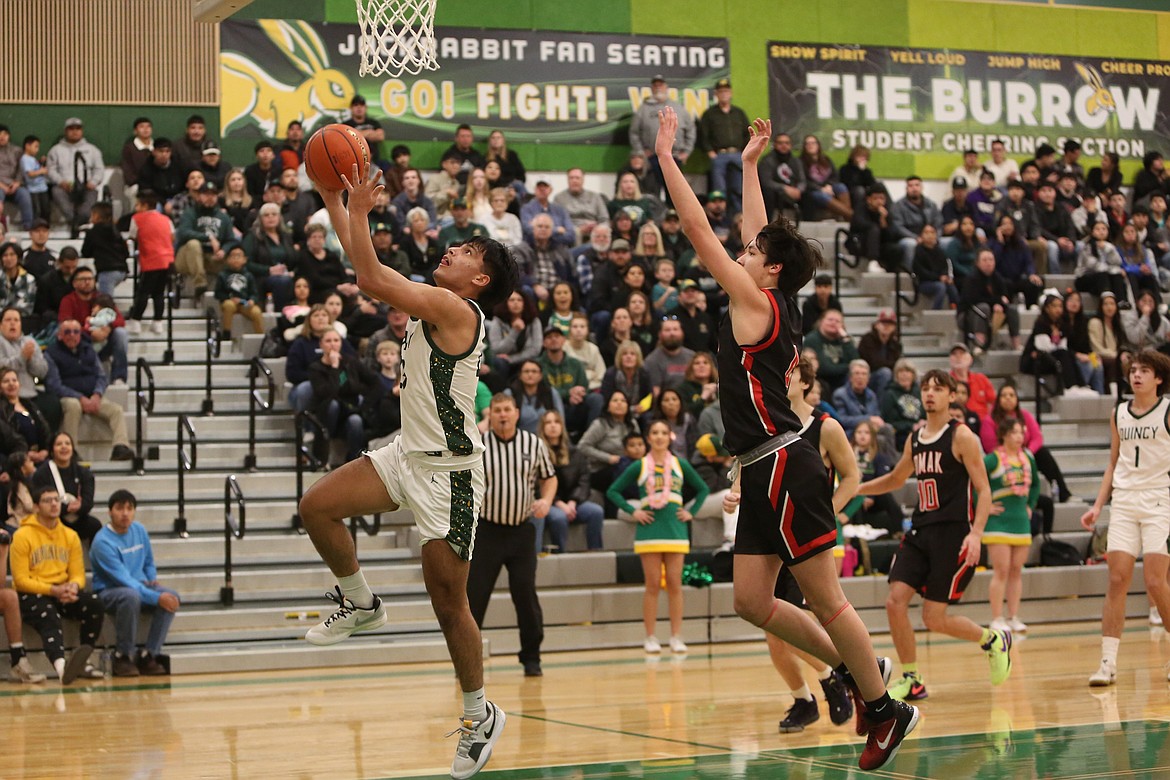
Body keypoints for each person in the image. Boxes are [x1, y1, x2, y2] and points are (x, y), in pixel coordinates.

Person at [656, 107, 916, 769]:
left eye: (750, 257)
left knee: (826, 599)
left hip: (783, 463)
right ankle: (864, 671)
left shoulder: (755, 300)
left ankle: (885, 706)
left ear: (766, 273)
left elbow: (695, 228)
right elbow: (758, 231)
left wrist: (666, 156)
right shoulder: (782, 298)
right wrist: (748, 165)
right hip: (762, 466)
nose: (743, 255)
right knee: (751, 600)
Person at [298, 160, 517, 780]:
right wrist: (329, 193)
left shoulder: (457, 311)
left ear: (480, 279)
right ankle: (361, 602)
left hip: (448, 475)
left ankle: (479, 714)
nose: (451, 248)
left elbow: (367, 273)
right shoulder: (439, 302)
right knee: (317, 506)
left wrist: (359, 210)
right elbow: (360, 258)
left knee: (450, 604)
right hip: (405, 456)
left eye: (467, 250)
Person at [857, 369, 1011, 702]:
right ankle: (912, 678)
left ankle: (992, 639)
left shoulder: (962, 436)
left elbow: (984, 490)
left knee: (933, 618)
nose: (929, 394)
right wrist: (857, 488)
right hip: (921, 529)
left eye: (937, 389)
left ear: (952, 396)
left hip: (953, 533)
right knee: (894, 601)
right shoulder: (915, 437)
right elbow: (897, 479)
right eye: (925, 388)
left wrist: (976, 534)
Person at [744, 357, 859, 732]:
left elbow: (852, 477)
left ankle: (836, 677)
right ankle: (806, 697)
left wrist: (829, 513)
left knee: (794, 622)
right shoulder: (769, 425)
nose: (781, 379)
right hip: (771, 535)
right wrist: (734, 493)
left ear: (805, 383)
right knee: (772, 629)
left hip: (806, 539)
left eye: (788, 374)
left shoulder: (825, 427)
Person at [1081, 351, 1170, 687]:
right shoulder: (1118, 413)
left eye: (1144, 371)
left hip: (1160, 500)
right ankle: (1107, 663)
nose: (1136, 375)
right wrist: (1097, 506)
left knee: (1155, 582)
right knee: (1117, 579)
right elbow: (1112, 462)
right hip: (1124, 502)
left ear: (1158, 378)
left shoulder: (1167, 411)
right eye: (1133, 370)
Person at [608, 418, 709, 655]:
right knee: (652, 585)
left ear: (670, 437)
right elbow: (613, 491)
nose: (660, 436)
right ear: (648, 437)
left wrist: (691, 512)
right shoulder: (640, 465)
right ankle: (650, 637)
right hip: (650, 531)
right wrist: (634, 511)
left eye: (664, 432)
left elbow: (703, 488)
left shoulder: (680, 464)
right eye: (655, 432)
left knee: (675, 585)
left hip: (675, 530)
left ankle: (676, 636)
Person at [469, 393, 555, 668]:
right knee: (476, 596)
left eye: (507, 409)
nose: (503, 415)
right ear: (490, 414)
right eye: (498, 410)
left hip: (521, 531)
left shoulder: (534, 443)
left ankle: (532, 658)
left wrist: (546, 500)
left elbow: (549, 477)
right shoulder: (479, 444)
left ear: (517, 413)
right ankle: (468, 661)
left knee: (525, 595)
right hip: (487, 531)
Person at [11, 484, 104, 684]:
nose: (54, 504)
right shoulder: (21, 536)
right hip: (31, 594)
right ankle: (62, 667)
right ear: (36, 507)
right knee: (49, 614)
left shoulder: (70, 535)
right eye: (47, 500)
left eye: (56, 500)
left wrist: (73, 587)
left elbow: (78, 574)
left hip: (62, 591)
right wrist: (52, 590)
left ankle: (82, 662)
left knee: (94, 603)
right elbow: (20, 580)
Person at [90, 489, 178, 677]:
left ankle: (149, 654)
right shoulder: (102, 543)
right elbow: (124, 580)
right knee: (132, 596)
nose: (125, 513)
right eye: (120, 508)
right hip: (110, 591)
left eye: (130, 508)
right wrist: (155, 597)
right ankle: (123, 655)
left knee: (172, 595)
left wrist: (152, 577)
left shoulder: (139, 530)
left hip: (139, 586)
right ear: (110, 512)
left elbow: (148, 562)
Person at [981, 418, 1040, 636]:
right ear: (1004, 434)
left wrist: (1031, 505)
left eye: (1021, 433)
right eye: (1015, 432)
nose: (1019, 437)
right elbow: (976, 483)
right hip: (998, 521)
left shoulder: (1028, 458)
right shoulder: (992, 459)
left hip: (1020, 520)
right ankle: (997, 618)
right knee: (1002, 570)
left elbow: (1036, 485)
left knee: (1016, 570)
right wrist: (983, 506)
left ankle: (1013, 616)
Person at [44, 320, 134, 463]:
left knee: (116, 410)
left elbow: (101, 376)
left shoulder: (88, 350)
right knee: (73, 406)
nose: (72, 335)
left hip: (91, 395)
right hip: (68, 396)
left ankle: (120, 447)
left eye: (76, 332)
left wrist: (97, 395)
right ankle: (71, 450)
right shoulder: (51, 353)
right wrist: (80, 398)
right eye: (67, 332)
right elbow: (54, 385)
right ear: (60, 335)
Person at [983, 383, 1073, 503]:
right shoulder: (990, 420)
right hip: (1003, 456)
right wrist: (1012, 452)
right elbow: (990, 445)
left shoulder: (1025, 415)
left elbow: (1037, 437)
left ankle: (1063, 492)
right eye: (1004, 395)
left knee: (1043, 453)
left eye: (1011, 395)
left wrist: (1027, 452)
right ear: (998, 399)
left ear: (1017, 399)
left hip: (1025, 453)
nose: (1008, 398)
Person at [537, 410, 604, 552]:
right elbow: (538, 485)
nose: (553, 426)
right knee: (559, 518)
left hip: (573, 502)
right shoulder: (536, 453)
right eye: (548, 423)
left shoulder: (575, 452)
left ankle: (595, 551)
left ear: (562, 426)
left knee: (596, 511)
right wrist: (560, 504)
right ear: (542, 428)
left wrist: (573, 501)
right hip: (550, 503)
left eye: (556, 422)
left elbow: (584, 480)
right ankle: (561, 554)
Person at [308, 328, 377, 464]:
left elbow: (375, 382)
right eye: (328, 341)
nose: (332, 344)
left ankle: (355, 462)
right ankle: (323, 457)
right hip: (327, 414)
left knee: (356, 420)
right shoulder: (316, 368)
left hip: (349, 411)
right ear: (321, 344)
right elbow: (328, 393)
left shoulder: (350, 362)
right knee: (333, 405)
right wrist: (334, 367)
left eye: (336, 340)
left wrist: (365, 405)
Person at [629, 76, 695, 202]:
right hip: (652, 158)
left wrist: (687, 151)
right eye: (655, 85)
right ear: (651, 88)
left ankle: (674, 218)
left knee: (676, 193)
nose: (658, 87)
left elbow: (691, 129)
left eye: (661, 85)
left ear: (666, 87)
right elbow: (634, 133)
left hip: (674, 157)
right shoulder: (643, 109)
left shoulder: (678, 107)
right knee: (653, 192)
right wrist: (642, 152)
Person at [126, 192, 175, 335]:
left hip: (150, 260)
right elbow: (172, 237)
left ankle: (136, 321)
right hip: (167, 260)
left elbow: (132, 236)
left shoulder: (137, 219)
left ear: (145, 205)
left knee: (143, 292)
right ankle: (158, 322)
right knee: (159, 293)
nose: (135, 207)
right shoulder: (166, 219)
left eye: (138, 204)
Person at [699, 78, 750, 215]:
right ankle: (721, 218)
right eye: (721, 91)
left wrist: (745, 152)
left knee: (739, 188)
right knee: (719, 191)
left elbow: (748, 133)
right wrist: (710, 152)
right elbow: (703, 135)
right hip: (719, 155)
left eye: (726, 91)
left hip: (738, 154)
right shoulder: (709, 114)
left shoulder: (739, 113)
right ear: (716, 94)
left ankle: (739, 219)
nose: (724, 94)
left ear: (731, 93)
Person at [46, 118, 103, 238]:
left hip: (86, 186)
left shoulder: (92, 150)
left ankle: (78, 223)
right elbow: (50, 170)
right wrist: (60, 182)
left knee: (92, 195)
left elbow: (99, 169)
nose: (75, 132)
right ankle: (75, 222)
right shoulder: (56, 150)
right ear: (66, 131)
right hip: (65, 187)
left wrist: (93, 182)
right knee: (56, 191)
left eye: (78, 129)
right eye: (71, 129)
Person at [215, 244, 264, 339]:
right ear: (227, 259)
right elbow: (218, 293)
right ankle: (226, 333)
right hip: (230, 302)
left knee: (257, 311)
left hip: (244, 303)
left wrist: (252, 300)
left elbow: (254, 293)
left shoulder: (249, 275)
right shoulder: (222, 275)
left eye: (239, 256)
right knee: (228, 305)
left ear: (244, 259)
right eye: (233, 256)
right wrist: (230, 298)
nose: (236, 259)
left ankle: (261, 337)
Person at [758, 133, 805, 219]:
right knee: (768, 193)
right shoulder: (766, 161)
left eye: (787, 143)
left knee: (810, 194)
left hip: (795, 191)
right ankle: (767, 222)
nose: (784, 145)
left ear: (790, 145)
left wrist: (798, 190)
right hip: (776, 192)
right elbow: (766, 182)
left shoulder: (796, 161)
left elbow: (803, 180)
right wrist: (784, 188)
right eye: (780, 143)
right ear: (775, 144)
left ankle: (807, 224)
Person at [857, 308, 901, 395]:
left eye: (890, 324)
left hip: (888, 376)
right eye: (883, 323)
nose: (886, 326)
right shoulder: (867, 339)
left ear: (894, 327)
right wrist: (891, 365)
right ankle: (881, 408)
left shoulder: (896, 344)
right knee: (885, 373)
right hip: (867, 377)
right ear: (876, 325)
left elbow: (897, 364)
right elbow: (875, 363)